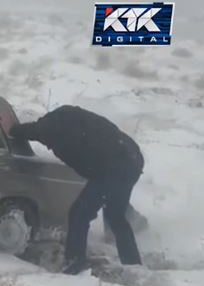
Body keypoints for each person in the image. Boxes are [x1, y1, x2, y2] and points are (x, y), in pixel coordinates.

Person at [9, 105, 145, 275]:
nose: (49, 147)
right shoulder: (71, 123)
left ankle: (74, 265)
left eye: (49, 143)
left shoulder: (57, 127)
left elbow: (35, 131)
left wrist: (12, 130)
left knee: (79, 213)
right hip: (131, 158)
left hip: (115, 164)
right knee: (115, 216)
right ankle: (134, 265)